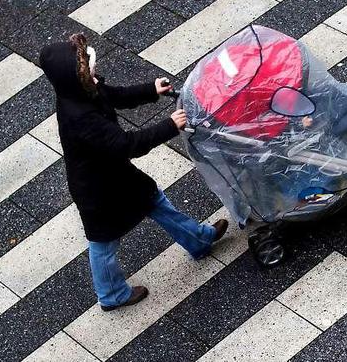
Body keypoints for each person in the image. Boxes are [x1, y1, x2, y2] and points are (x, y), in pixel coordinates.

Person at [41, 33, 228, 311]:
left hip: (113, 176)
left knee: (154, 200)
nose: (96, 76)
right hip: (97, 190)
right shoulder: (81, 118)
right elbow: (126, 145)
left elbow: (117, 95)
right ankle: (111, 294)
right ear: (76, 78)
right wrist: (168, 126)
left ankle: (199, 239)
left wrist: (151, 90)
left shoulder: (82, 90)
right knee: (103, 241)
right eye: (91, 73)